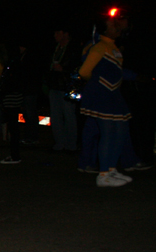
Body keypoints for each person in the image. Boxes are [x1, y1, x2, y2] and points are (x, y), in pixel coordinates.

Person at [78, 12, 132, 188]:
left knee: (120, 131)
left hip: (113, 95)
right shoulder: (100, 46)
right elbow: (84, 72)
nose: (116, 26)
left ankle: (110, 169)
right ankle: (103, 174)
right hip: (102, 95)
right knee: (108, 133)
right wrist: (99, 83)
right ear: (104, 29)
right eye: (112, 24)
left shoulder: (113, 47)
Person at [47, 27, 78, 151]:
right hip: (54, 85)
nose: (55, 35)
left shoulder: (73, 49)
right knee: (55, 116)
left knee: (69, 115)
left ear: (65, 34)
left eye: (57, 32)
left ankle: (71, 145)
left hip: (67, 86)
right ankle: (60, 143)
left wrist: (64, 69)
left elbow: (77, 66)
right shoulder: (54, 48)